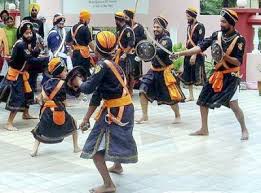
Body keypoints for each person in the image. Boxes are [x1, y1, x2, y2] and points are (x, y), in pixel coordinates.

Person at [68, 31, 138, 193]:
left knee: (94, 149)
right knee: (117, 138)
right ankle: (117, 166)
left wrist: (77, 80)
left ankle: (108, 185)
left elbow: (88, 89)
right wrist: (86, 118)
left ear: (97, 50)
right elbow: (98, 95)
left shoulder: (102, 66)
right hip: (125, 108)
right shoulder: (114, 64)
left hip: (115, 112)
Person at [170, 9, 249, 140]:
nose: (221, 24)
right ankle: (204, 129)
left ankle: (244, 129)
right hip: (217, 75)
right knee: (202, 101)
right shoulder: (216, 35)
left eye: (223, 22)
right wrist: (179, 54)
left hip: (231, 76)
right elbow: (200, 47)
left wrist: (224, 56)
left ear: (231, 23)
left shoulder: (239, 40)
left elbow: (238, 61)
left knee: (234, 105)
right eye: (220, 21)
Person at [136, 16, 185, 124]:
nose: (155, 29)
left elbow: (159, 51)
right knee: (142, 90)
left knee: (170, 97)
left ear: (163, 28)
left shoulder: (166, 40)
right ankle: (145, 115)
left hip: (164, 72)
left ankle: (177, 115)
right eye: (154, 27)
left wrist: (147, 49)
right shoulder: (155, 40)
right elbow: (150, 54)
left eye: (158, 27)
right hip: (153, 71)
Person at [0, 21, 48, 131]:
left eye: (31, 33)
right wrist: (46, 59)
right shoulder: (21, 44)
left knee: (28, 94)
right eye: (27, 33)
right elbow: (30, 59)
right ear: (22, 33)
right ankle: (9, 123)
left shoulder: (26, 44)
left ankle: (25, 114)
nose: (29, 35)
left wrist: (36, 51)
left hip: (22, 75)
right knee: (17, 98)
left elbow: (29, 56)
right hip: (15, 76)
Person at [31, 57, 81, 157]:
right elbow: (76, 94)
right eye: (65, 70)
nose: (67, 72)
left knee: (39, 129)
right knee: (74, 122)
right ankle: (76, 147)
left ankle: (34, 150)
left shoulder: (46, 83)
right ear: (59, 72)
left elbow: (41, 98)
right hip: (58, 111)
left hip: (46, 112)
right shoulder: (64, 84)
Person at [179, 7, 206, 101]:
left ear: (193, 16)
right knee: (188, 75)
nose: (187, 18)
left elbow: (200, 41)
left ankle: (204, 96)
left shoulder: (200, 26)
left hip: (197, 54)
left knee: (199, 76)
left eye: (188, 16)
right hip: (188, 53)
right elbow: (188, 40)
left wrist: (194, 55)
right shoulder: (189, 27)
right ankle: (191, 96)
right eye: (187, 16)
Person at [66, 9, 95, 77]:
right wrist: (96, 52)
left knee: (76, 73)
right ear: (84, 19)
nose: (89, 21)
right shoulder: (85, 29)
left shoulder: (72, 28)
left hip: (75, 53)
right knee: (84, 73)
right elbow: (90, 43)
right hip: (83, 55)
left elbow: (67, 42)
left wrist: (75, 46)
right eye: (88, 19)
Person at [123, 9, 147, 88]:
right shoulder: (124, 28)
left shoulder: (139, 27)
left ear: (131, 18)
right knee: (125, 72)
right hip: (124, 52)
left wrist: (133, 40)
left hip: (135, 53)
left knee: (132, 72)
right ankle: (125, 88)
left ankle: (131, 89)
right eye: (123, 17)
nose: (124, 19)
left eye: (126, 17)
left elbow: (144, 40)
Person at [114, 11, 136, 95]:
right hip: (120, 54)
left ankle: (129, 91)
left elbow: (131, 43)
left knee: (129, 73)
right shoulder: (120, 30)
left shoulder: (128, 30)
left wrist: (124, 54)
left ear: (118, 20)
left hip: (128, 55)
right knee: (121, 73)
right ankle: (123, 90)